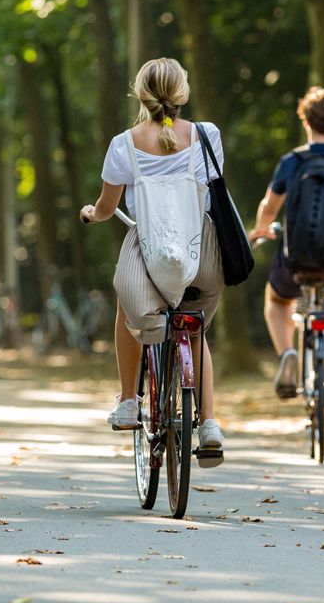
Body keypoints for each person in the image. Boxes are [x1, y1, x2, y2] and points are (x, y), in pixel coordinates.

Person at [79, 56, 227, 466]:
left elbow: (107, 208)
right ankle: (210, 422)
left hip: (149, 251)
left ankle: (129, 401)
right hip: (201, 255)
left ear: (140, 94)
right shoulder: (208, 136)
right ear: (183, 93)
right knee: (194, 327)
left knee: (127, 306)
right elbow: (210, 193)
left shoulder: (123, 144)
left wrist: (92, 213)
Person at [247, 87, 324, 426]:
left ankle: (288, 352)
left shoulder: (292, 161)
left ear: (305, 121)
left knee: (276, 301)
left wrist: (262, 230)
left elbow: (269, 207)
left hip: (297, 261)